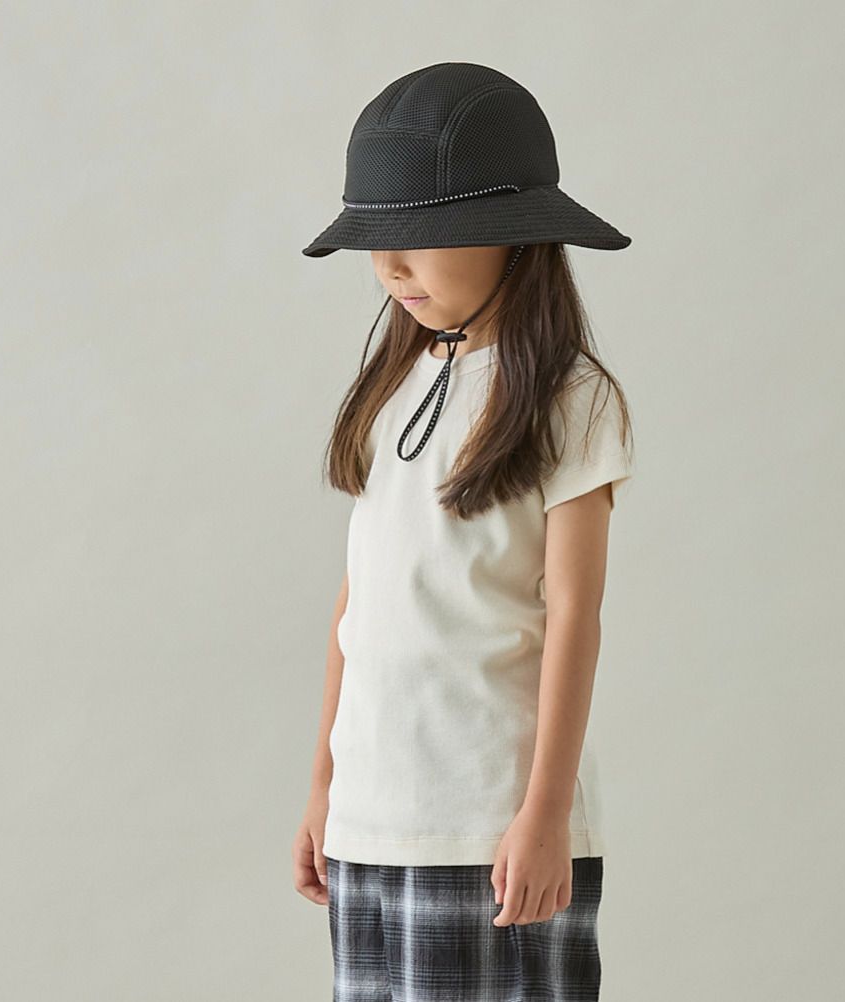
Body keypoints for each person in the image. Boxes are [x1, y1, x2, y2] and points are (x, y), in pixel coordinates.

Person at [295, 62, 635, 1001]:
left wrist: (546, 816)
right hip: (372, 823)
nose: (389, 267)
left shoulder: (568, 398)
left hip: (488, 829)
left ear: (513, 233)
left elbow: (574, 618)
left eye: (416, 240)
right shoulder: (392, 389)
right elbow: (359, 606)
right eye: (377, 243)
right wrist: (325, 787)